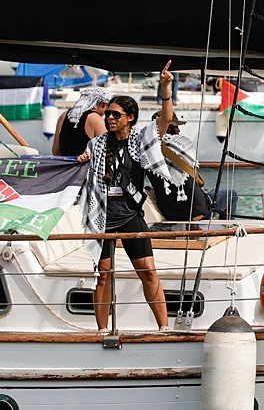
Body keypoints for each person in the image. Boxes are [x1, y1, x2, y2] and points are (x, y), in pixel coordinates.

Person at [77, 61, 178, 333]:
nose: (109, 118)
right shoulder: (97, 143)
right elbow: (86, 162)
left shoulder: (139, 139)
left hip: (131, 215)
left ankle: (164, 328)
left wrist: (165, 87)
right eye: (108, 113)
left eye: (116, 115)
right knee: (103, 277)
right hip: (103, 217)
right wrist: (84, 158)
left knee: (148, 272)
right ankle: (100, 331)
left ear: (130, 118)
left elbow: (165, 120)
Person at [147, 110, 238, 222]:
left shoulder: (147, 152)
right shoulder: (182, 145)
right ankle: (226, 230)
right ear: (168, 127)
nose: (179, 130)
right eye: (176, 127)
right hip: (197, 211)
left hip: (170, 213)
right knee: (231, 194)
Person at [52, 87, 112, 156]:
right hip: (84, 166)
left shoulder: (64, 115)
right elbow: (106, 149)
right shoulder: (95, 119)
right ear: (103, 105)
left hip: (65, 165)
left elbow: (55, 151)